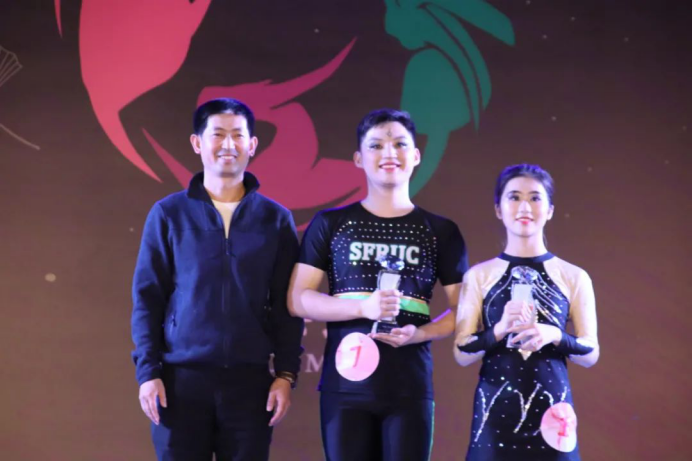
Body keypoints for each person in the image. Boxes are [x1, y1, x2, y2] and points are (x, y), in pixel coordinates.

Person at [289, 109, 468, 461]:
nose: (389, 153)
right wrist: (361, 307)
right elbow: (297, 299)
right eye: (376, 146)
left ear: (416, 156)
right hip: (345, 388)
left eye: (400, 144)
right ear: (359, 158)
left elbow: (464, 310)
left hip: (409, 386)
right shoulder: (331, 223)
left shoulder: (441, 231)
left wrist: (420, 334)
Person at [131, 98, 304, 461]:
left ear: (252, 145)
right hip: (179, 382)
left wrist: (286, 374)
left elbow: (287, 304)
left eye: (238, 135)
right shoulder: (168, 214)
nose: (228, 144)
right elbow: (148, 299)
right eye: (218, 135)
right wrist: (148, 373)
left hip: (250, 383)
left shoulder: (275, 219)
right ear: (197, 143)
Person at [454, 164, 599, 461]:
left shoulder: (574, 276)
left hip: (553, 414)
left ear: (550, 210)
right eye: (514, 197)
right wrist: (499, 329)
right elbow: (461, 353)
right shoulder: (479, 276)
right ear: (498, 209)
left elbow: (590, 353)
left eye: (535, 198)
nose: (524, 207)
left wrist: (555, 334)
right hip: (494, 414)